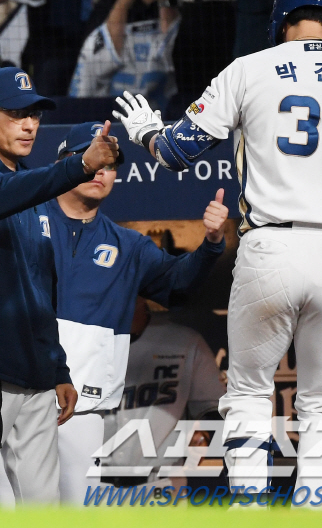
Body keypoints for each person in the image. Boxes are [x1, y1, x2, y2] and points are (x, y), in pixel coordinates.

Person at [113, 0, 322, 499]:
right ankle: (316, 509)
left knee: (249, 394)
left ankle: (250, 508)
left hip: (271, 247)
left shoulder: (250, 69)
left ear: (281, 21)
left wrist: (148, 131)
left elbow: (175, 152)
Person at [0, 66, 119, 506]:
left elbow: (40, 290)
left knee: (43, 506)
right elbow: (7, 192)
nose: (30, 124)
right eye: (15, 114)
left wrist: (57, 368)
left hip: (32, 377)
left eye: (34, 114)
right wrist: (82, 165)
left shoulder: (31, 192)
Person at [46, 122, 226, 504]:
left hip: (83, 410)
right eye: (92, 158)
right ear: (65, 162)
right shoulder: (27, 224)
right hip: (21, 398)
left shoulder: (126, 246)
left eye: (110, 165)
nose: (101, 171)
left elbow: (178, 287)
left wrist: (210, 245)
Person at [100, 298, 225, 492]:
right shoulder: (81, 342)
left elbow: (215, 408)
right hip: (93, 482)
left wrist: (204, 433)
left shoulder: (182, 341)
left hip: (161, 484)